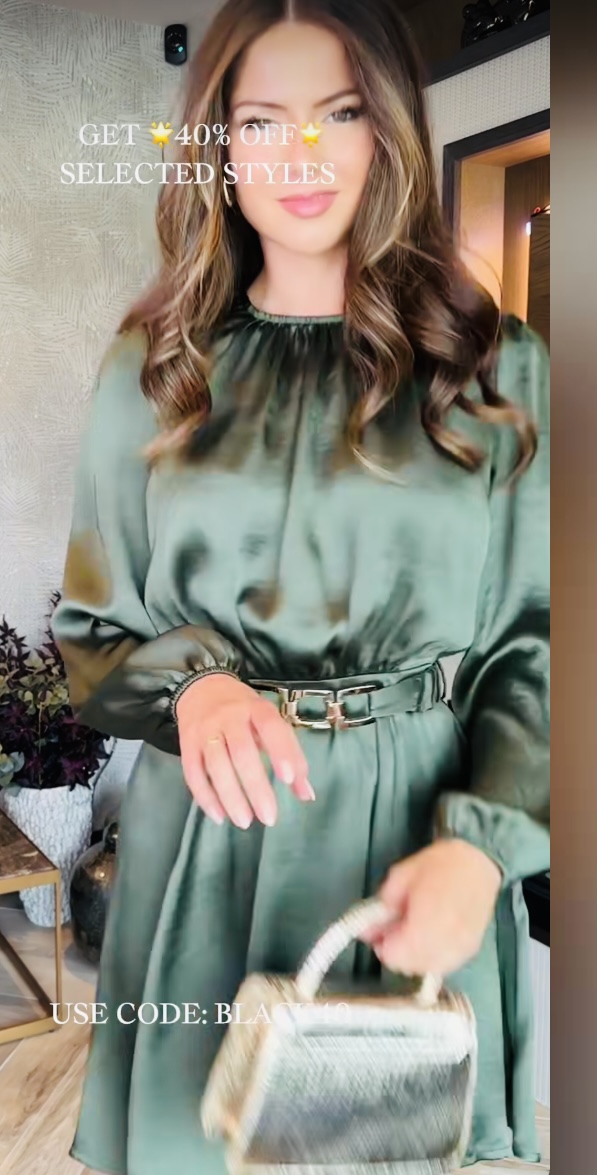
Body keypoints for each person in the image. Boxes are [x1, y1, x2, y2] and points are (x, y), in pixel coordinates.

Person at [52, 1, 550, 1172]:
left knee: (399, 1134)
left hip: (419, 830)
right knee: (200, 1138)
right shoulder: (151, 370)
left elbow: (539, 642)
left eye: (340, 114)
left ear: (391, 132)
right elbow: (92, 633)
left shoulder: (495, 367)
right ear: (219, 147)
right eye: (263, 121)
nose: (303, 156)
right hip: (206, 837)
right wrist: (191, 688)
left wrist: (485, 845)